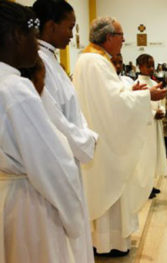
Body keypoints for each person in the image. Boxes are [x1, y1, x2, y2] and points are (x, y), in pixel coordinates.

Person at [0, 2, 89, 262]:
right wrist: (74, 216)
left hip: (9, 196)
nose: (36, 45)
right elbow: (51, 163)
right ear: (18, 35)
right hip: (33, 202)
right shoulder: (16, 88)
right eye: (33, 37)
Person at [73, 16, 167, 256]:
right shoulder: (95, 62)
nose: (124, 40)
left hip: (101, 133)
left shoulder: (91, 59)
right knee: (110, 190)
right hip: (105, 140)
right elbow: (113, 104)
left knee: (108, 190)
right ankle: (109, 243)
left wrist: (130, 91)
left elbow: (110, 96)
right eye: (121, 36)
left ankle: (105, 240)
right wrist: (147, 97)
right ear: (108, 38)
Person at [32, 1, 98, 261]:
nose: (72, 34)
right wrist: (87, 140)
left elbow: (71, 107)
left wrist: (85, 136)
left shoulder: (50, 60)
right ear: (50, 26)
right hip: (57, 164)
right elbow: (53, 119)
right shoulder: (38, 64)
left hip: (70, 156)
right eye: (69, 27)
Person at [135, 54, 167, 199]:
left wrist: (162, 111)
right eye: (148, 65)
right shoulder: (138, 84)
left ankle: (150, 185)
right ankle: (143, 188)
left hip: (156, 125)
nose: (151, 68)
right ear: (140, 67)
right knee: (145, 156)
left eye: (152, 65)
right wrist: (153, 112)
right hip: (145, 126)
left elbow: (162, 102)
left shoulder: (154, 83)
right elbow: (138, 105)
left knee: (154, 155)